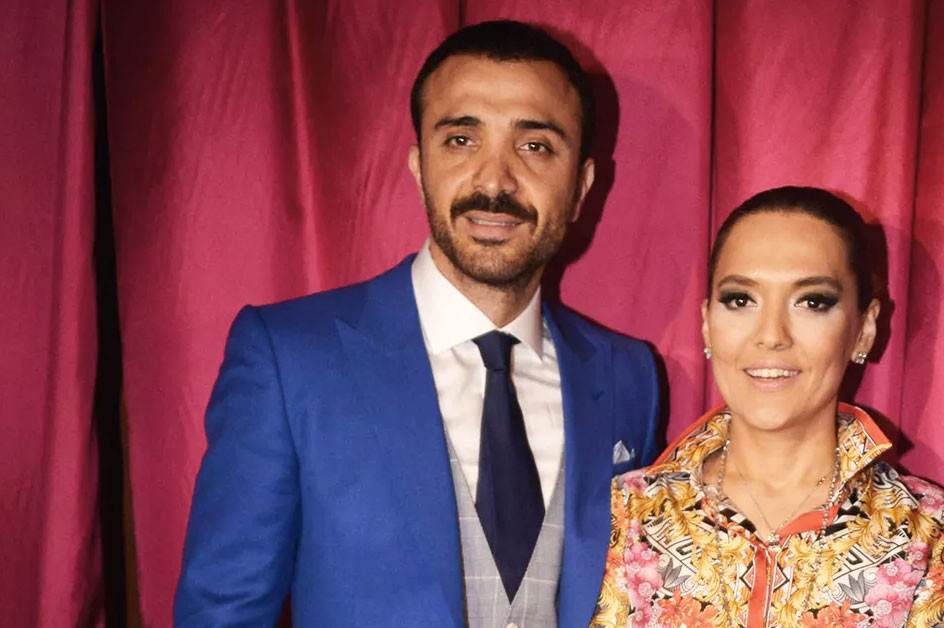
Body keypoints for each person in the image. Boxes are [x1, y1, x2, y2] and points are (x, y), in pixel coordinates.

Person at [175, 20, 662, 628]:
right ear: (418, 165)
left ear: (582, 185)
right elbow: (223, 614)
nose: (494, 180)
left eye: (535, 146)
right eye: (461, 139)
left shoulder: (628, 376)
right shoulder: (288, 359)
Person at [591, 187, 944, 627]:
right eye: (741, 300)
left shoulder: (927, 528)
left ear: (864, 329)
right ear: (706, 323)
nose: (771, 335)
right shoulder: (632, 510)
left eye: (812, 302)